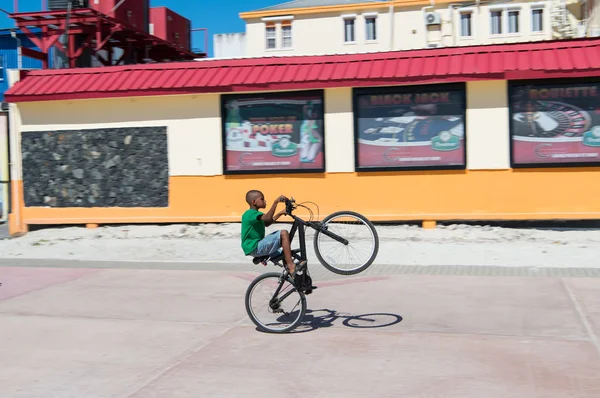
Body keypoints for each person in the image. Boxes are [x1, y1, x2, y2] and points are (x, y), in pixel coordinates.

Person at [241, 190, 306, 276]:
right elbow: (268, 218)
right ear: (254, 202)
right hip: (254, 246)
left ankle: (291, 273)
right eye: (262, 199)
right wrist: (275, 202)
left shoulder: (256, 214)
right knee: (284, 234)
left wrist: (281, 213)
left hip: (255, 246)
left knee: (284, 253)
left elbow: (267, 222)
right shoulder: (250, 214)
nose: (265, 201)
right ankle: (291, 266)